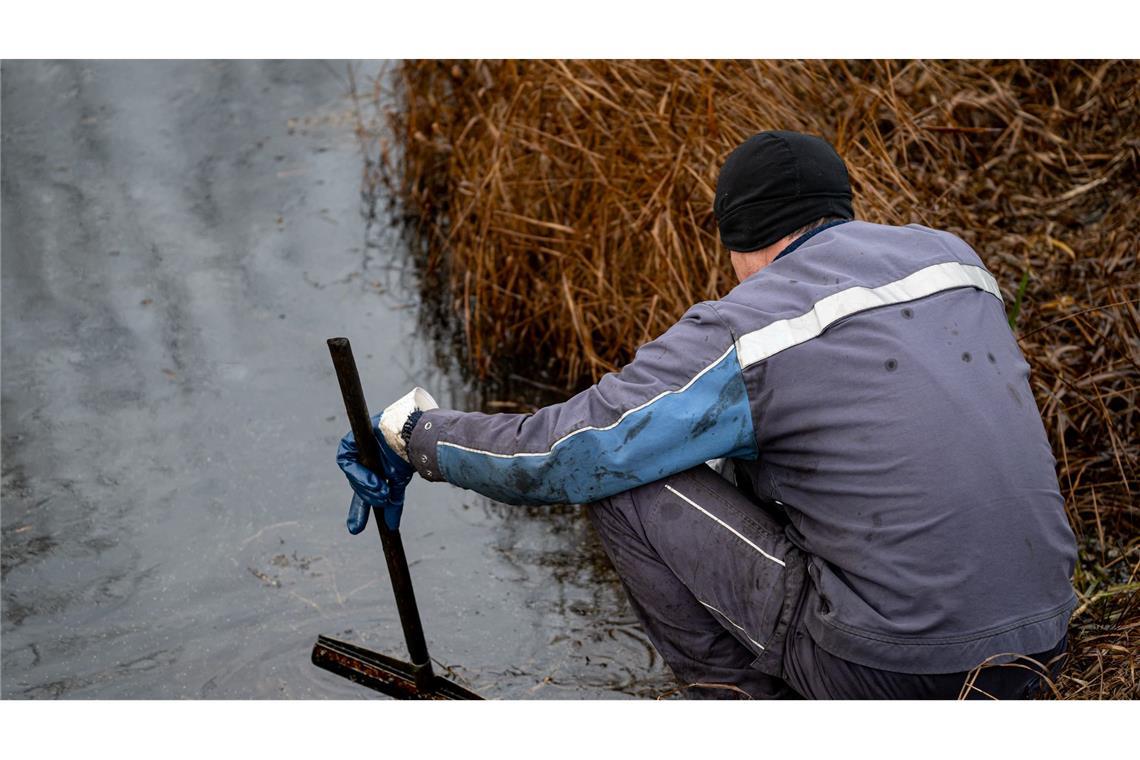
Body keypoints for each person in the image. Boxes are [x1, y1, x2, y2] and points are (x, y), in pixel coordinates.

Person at [337, 130, 1078, 699]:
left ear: (736, 235)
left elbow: (570, 453)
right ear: (839, 207)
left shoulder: (753, 323)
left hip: (898, 674)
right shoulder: (955, 263)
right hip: (1041, 643)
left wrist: (418, 437)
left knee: (622, 478)